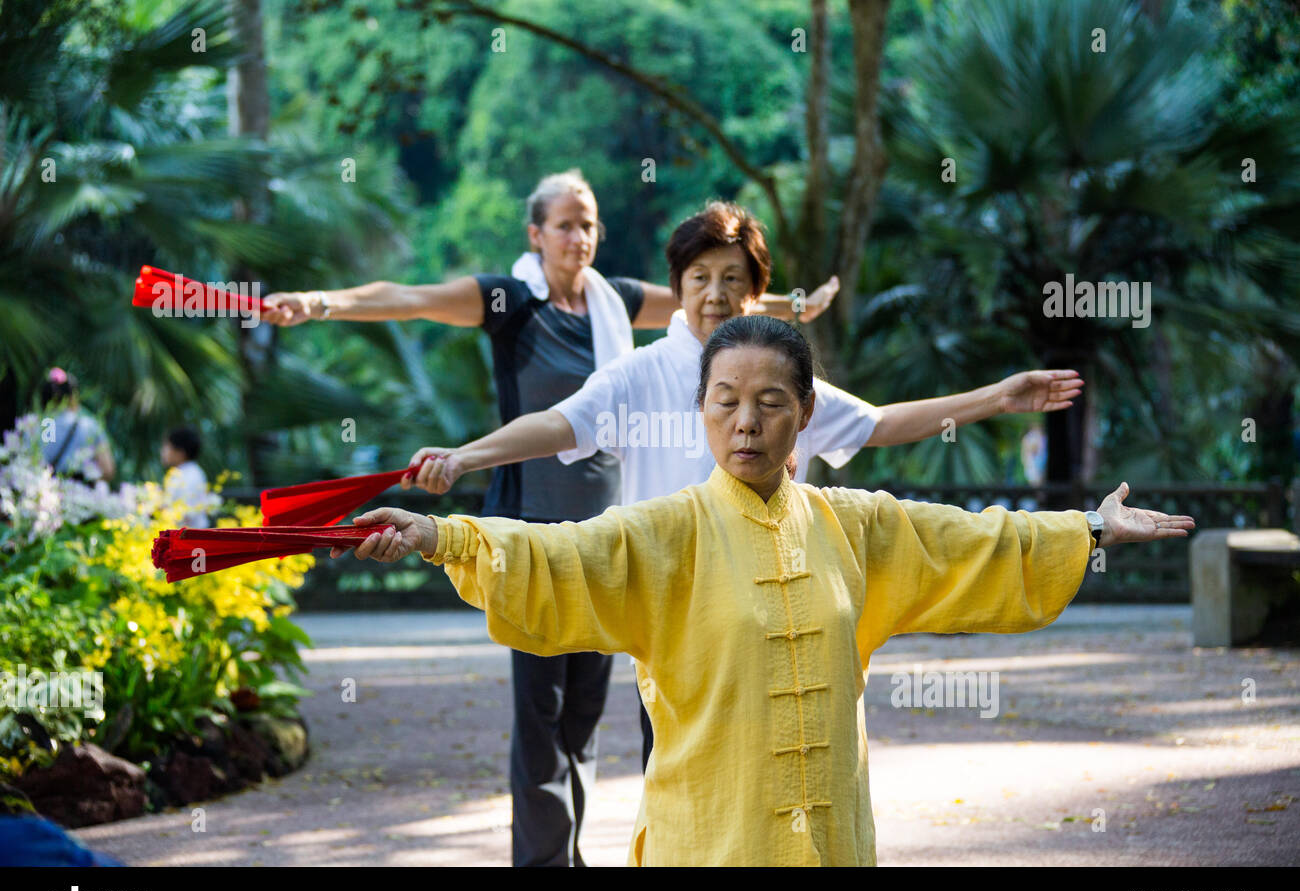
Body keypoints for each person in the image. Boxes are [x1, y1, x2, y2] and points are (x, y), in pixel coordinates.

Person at [332, 315, 1194, 866]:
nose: (746, 422)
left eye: (770, 402)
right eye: (725, 401)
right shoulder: (663, 532)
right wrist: (439, 535)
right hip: (710, 841)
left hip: (830, 842)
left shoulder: (855, 526)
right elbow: (564, 556)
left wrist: (1089, 529)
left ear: (805, 414)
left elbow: (973, 541)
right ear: (701, 410)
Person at [261, 171, 839, 868]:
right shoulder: (510, 300)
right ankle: (542, 864)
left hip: (606, 535)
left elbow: (718, 298)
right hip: (529, 530)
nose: (580, 237)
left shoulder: (615, 301)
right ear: (535, 234)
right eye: (565, 224)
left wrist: (796, 305)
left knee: (584, 719)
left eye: (589, 224)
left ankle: (572, 855)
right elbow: (408, 299)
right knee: (540, 716)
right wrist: (318, 303)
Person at [397, 201, 1086, 769]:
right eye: (699, 277)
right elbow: (555, 424)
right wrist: (464, 459)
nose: (714, 294)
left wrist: (997, 397)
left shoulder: (785, 377)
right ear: (680, 286)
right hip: (676, 609)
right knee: (679, 773)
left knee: (787, 763)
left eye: (732, 278)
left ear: (756, 292)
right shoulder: (639, 374)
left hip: (777, 608)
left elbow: (879, 423)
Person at [37, 368, 115, 484]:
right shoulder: (90, 425)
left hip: (42, 493)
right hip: (79, 494)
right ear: (72, 397)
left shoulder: (36, 425)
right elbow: (107, 469)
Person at [160, 426, 216, 528]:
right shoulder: (185, 472)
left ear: (180, 452)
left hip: (189, 537)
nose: (163, 452)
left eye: (167, 446)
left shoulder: (190, 475)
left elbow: (185, 513)